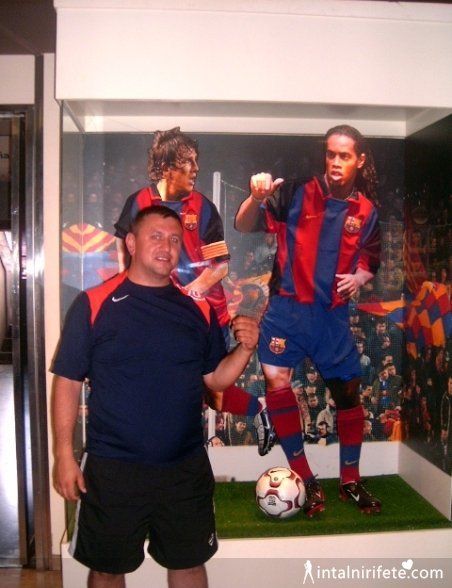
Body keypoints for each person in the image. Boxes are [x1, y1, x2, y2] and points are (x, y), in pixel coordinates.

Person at [51, 206, 259, 588]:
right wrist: (63, 455)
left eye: (175, 239)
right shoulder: (93, 304)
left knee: (190, 566)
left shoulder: (197, 308)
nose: (167, 246)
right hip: (113, 468)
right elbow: (67, 380)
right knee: (106, 570)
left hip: (184, 468)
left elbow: (215, 379)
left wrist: (245, 350)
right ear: (131, 243)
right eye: (157, 237)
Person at [235, 124, 382, 516]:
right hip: (286, 312)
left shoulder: (366, 212)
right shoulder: (297, 191)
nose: (335, 162)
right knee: (278, 383)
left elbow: (371, 259)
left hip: (331, 317)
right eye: (331, 154)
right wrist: (255, 197)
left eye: (344, 155)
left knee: (348, 393)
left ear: (359, 160)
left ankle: (350, 481)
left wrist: (360, 278)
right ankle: (306, 479)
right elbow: (243, 224)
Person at [114, 127, 274, 454]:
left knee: (213, 393)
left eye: (196, 161)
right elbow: (122, 245)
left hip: (205, 315)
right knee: (179, 386)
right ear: (167, 167)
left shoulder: (202, 207)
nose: (196, 169)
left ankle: (257, 411)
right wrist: (126, 283)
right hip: (158, 316)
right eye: (188, 162)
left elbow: (221, 266)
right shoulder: (139, 202)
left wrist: (185, 295)